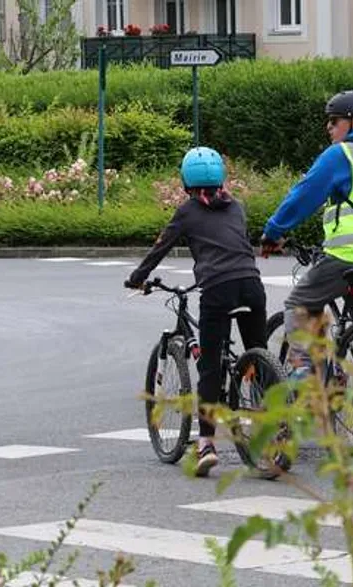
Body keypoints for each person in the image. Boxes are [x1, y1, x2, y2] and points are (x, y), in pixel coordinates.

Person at [259, 90, 353, 450]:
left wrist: (273, 232)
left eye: (334, 120)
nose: (329, 127)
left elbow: (305, 194)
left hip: (347, 258)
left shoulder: (343, 154)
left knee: (299, 303)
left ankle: (302, 370)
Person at [125, 146, 268, 477]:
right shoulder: (237, 207)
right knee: (256, 355)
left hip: (218, 289)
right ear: (221, 177)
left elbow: (160, 247)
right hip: (251, 285)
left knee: (210, 365)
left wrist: (137, 278)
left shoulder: (187, 211)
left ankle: (205, 444)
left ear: (185, 181)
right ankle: (278, 425)